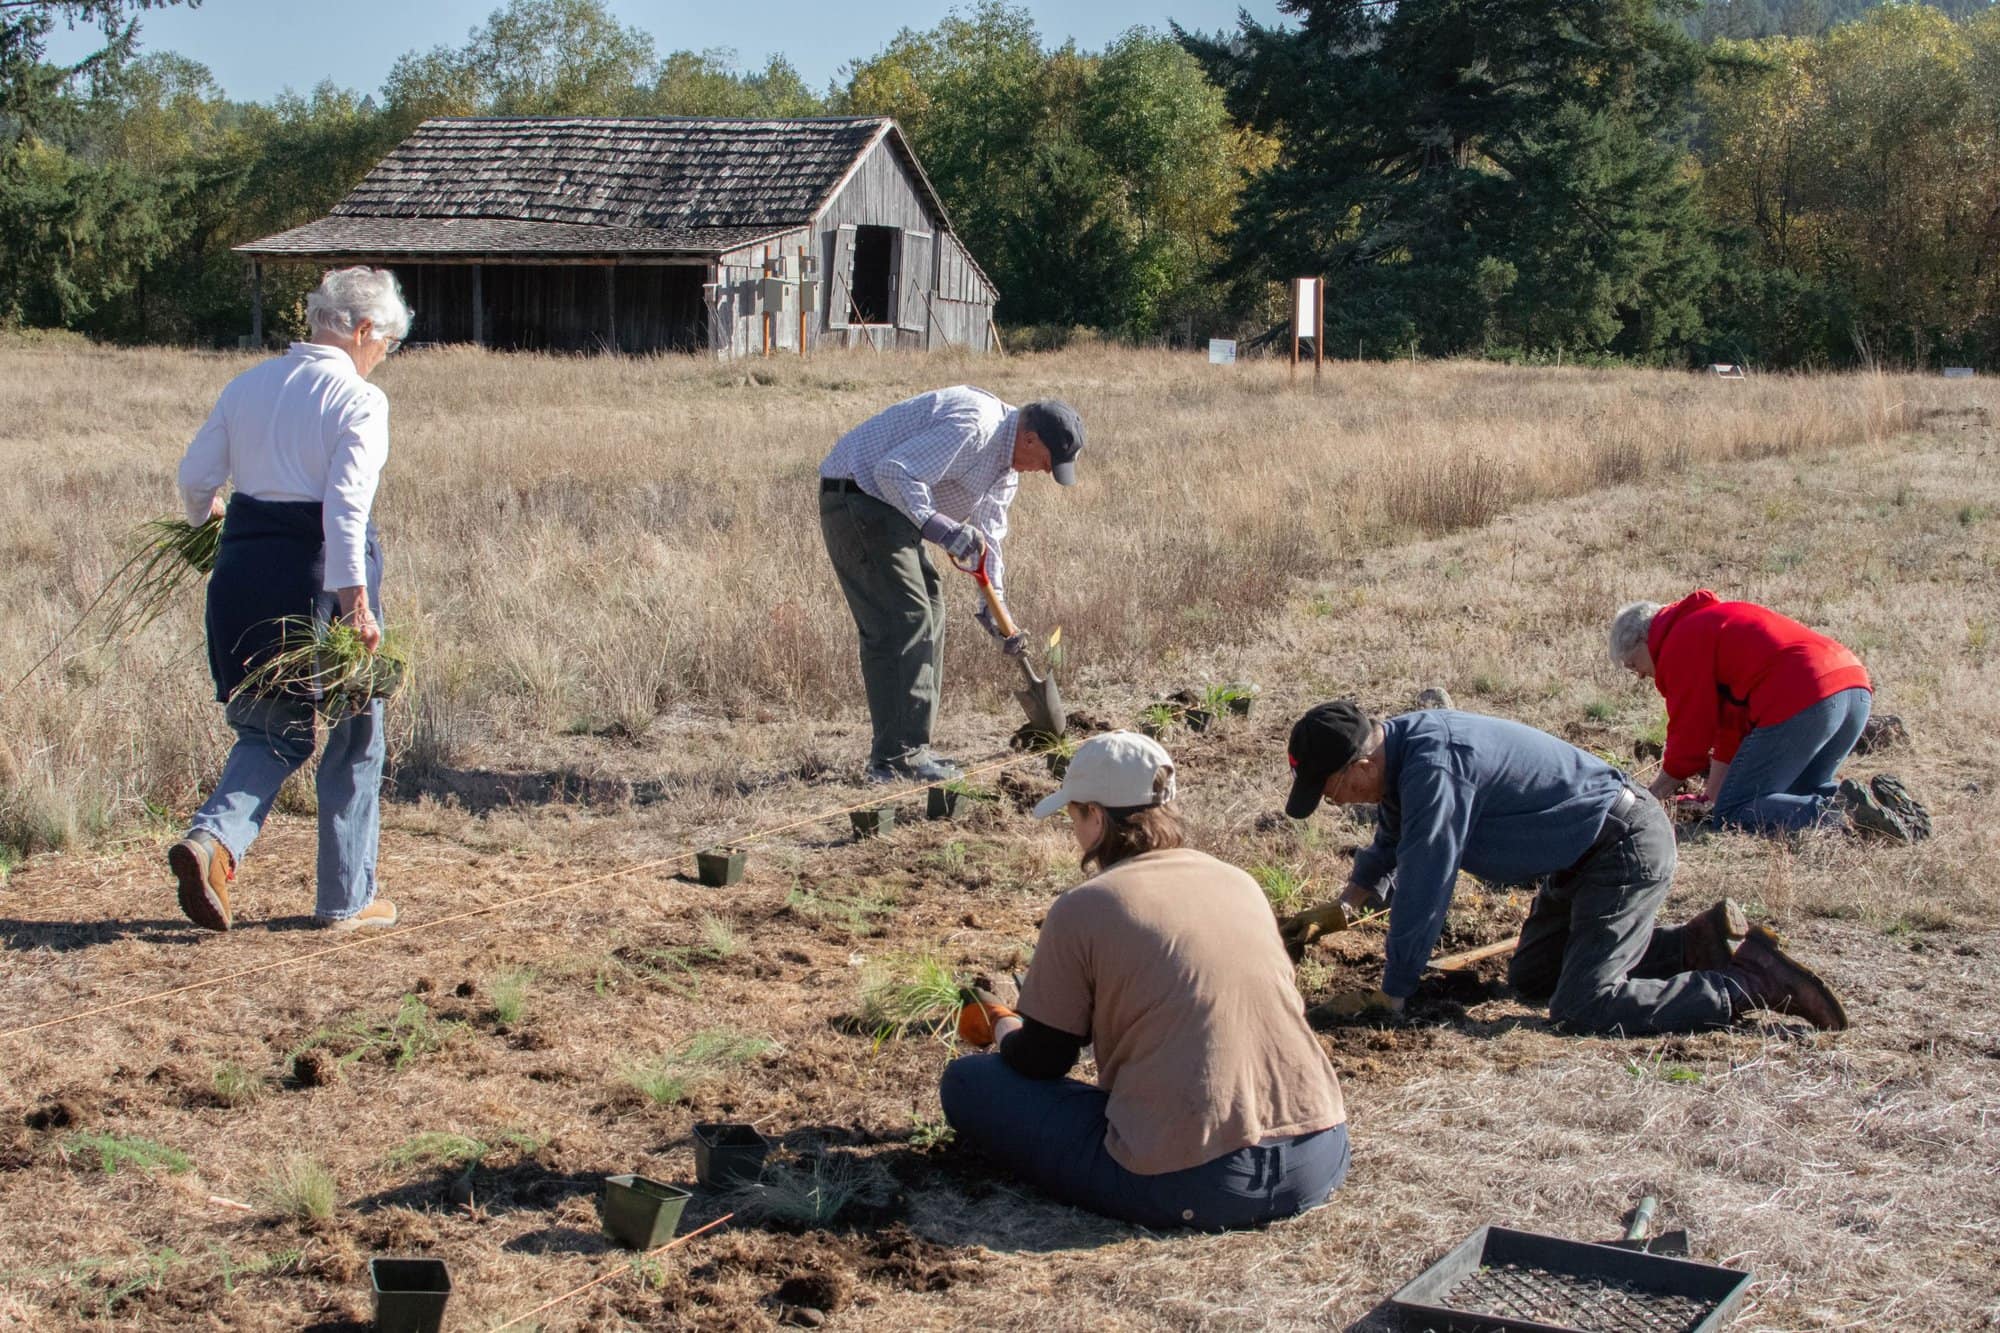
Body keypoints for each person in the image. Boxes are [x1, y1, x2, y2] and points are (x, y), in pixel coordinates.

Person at [940, 732, 1350, 1231]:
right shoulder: (1237, 881)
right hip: (1319, 1152)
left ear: (1095, 816)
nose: (1074, 829)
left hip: (1201, 1183)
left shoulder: (1085, 906)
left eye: (1073, 815)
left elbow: (1044, 1060)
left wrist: (1001, 1023)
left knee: (968, 1082)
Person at [1278, 701, 1848, 1033]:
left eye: (1329, 788)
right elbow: (1388, 847)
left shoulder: (1435, 766)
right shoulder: (1403, 755)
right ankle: (1689, 947)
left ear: (1361, 762)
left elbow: (1426, 883)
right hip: (1576, 861)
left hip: (1623, 846)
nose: (1332, 802)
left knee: (1580, 1007)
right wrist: (1343, 908)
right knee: (1532, 980)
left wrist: (1393, 996)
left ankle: (1747, 984)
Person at [165, 267, 411, 934]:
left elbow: (195, 480)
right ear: (361, 331)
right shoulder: (359, 402)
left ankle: (213, 843)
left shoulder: (247, 386)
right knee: (357, 732)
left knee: (271, 731)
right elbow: (346, 512)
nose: (383, 355)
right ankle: (346, 898)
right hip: (317, 586)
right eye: (386, 341)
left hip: (241, 576)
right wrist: (356, 603)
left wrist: (206, 515)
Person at [818, 387, 1083, 783]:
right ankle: (894, 759)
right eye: (1046, 462)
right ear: (1030, 439)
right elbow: (892, 471)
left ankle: (910, 747)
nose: (1045, 472)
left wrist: (996, 610)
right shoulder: (975, 427)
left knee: (931, 608)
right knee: (906, 618)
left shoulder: (1005, 470)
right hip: (857, 497)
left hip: (889, 509)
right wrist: (939, 527)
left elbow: (988, 540)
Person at [1609, 591, 1926, 840]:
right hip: (1853, 688)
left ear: (1641, 639)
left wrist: (1645, 803)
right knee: (1791, 796)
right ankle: (1879, 808)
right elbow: (1729, 728)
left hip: (1804, 696)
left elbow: (1691, 736)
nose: (1638, 675)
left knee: (1734, 812)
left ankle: (1847, 818)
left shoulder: (1679, 644)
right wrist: (1713, 795)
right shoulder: (1708, 623)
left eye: (1632, 664)